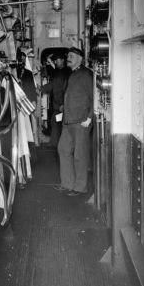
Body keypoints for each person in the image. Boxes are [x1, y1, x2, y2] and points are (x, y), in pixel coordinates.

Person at [57, 47, 93, 197]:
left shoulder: (86, 74)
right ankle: (67, 183)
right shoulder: (72, 74)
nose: (68, 58)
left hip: (81, 121)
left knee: (80, 155)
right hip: (68, 120)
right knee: (63, 149)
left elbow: (94, 96)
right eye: (68, 56)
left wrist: (90, 117)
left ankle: (80, 187)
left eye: (72, 56)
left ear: (80, 59)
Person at [41, 53, 70, 148]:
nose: (56, 62)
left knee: (56, 122)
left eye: (57, 60)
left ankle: (57, 144)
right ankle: (56, 144)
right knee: (55, 122)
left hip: (62, 105)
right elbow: (53, 84)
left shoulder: (67, 72)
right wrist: (41, 89)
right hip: (58, 104)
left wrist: (64, 104)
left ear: (62, 60)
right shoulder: (59, 72)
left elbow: (67, 89)